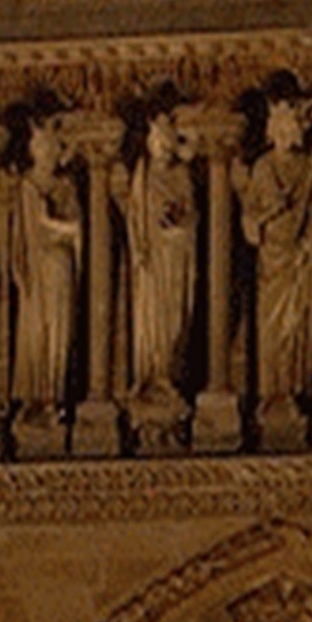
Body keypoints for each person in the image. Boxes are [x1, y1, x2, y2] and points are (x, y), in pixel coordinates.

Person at [233, 84, 312, 413]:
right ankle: (271, 391)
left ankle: (295, 388)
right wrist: (271, 214)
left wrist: (308, 245)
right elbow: (249, 221)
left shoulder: (310, 167)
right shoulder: (263, 168)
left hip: (300, 260)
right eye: (281, 125)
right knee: (271, 327)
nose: (287, 131)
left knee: (297, 327)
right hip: (271, 260)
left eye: (292, 124)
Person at [111, 103, 196, 414]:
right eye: (156, 139)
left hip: (175, 257)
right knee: (150, 318)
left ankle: (168, 374)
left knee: (174, 318)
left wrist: (179, 223)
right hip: (149, 263)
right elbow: (134, 217)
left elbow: (191, 215)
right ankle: (151, 374)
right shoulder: (142, 176)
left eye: (166, 139)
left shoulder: (182, 174)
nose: (161, 146)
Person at [7, 111, 81, 418]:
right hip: (35, 272)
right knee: (33, 331)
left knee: (58, 333)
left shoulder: (66, 187)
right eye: (41, 147)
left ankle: (54, 395)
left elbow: (76, 227)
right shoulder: (25, 186)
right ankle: (34, 397)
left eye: (52, 148)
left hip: (59, 266)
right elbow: (18, 237)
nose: (46, 154)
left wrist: (50, 221)